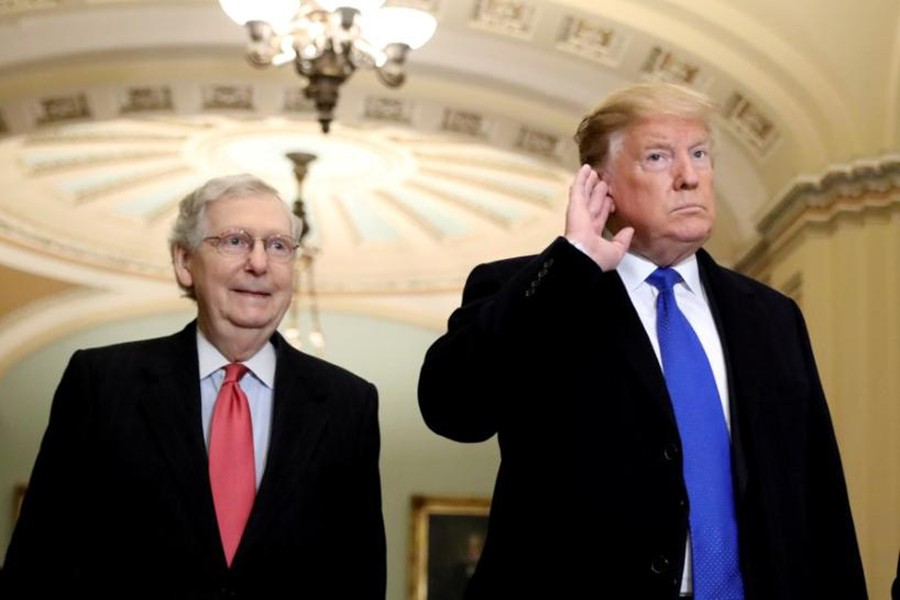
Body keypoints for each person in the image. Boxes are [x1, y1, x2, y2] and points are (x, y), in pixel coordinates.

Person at [417, 82, 867, 599]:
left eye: (699, 154)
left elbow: (821, 495)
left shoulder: (771, 316)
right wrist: (570, 264)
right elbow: (452, 409)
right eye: (658, 157)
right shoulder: (539, 291)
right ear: (599, 185)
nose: (689, 177)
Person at [2, 174, 386, 599]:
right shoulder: (102, 383)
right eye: (236, 241)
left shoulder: (349, 403)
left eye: (278, 246)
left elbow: (360, 579)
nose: (259, 263)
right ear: (185, 262)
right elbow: (37, 566)